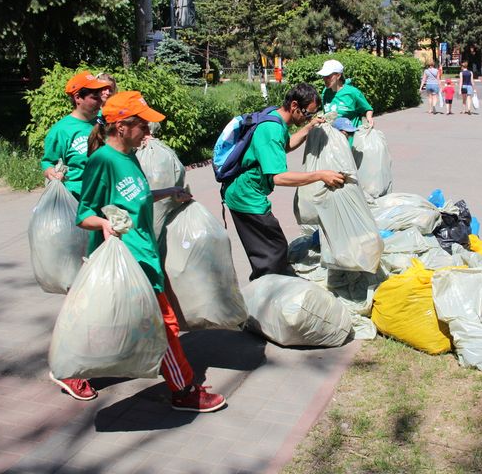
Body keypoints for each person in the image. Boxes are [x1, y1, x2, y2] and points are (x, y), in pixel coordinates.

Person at [60, 91, 226, 413]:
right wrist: (104, 225)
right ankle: (184, 389)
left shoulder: (129, 155)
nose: (148, 132)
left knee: (115, 323)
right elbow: (83, 214)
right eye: (142, 125)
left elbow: (134, 198)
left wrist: (168, 193)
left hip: (144, 253)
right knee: (163, 324)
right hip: (128, 258)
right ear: (122, 127)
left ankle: (70, 369)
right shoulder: (102, 161)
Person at [224, 83, 346, 281]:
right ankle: (266, 297)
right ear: (295, 106)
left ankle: (271, 288)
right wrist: (320, 175)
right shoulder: (270, 129)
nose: (308, 117)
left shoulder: (277, 117)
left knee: (272, 249)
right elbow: (279, 177)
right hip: (245, 196)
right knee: (271, 253)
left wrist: (308, 127)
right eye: (307, 113)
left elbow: (285, 145)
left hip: (250, 193)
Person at [40, 70, 110, 200]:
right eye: (95, 97)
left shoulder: (106, 121)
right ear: (78, 97)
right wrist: (51, 173)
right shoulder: (61, 130)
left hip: (106, 196)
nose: (100, 100)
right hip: (77, 200)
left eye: (100, 95)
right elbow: (48, 162)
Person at [317, 59, 374, 128]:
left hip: (351, 136)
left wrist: (369, 118)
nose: (325, 79)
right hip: (333, 136)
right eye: (323, 76)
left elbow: (367, 109)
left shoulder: (353, 92)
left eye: (328, 76)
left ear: (338, 76)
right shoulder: (325, 92)